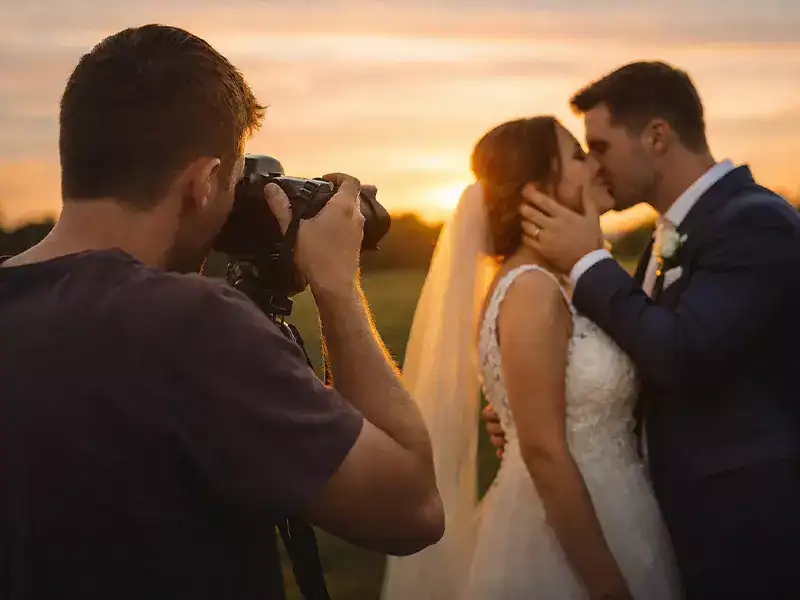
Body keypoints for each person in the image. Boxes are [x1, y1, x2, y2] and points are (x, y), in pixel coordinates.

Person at [0, 24, 443, 600]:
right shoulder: (190, 326)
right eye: (233, 180)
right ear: (204, 182)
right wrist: (337, 287)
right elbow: (412, 510)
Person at [486, 61, 800, 599]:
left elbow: (685, 356)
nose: (597, 169)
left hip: (752, 531)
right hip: (677, 524)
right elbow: (646, 357)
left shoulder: (753, 222)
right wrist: (541, 409)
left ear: (656, 136)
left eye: (600, 148)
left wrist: (587, 262)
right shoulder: (663, 239)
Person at [381, 116, 682, 600]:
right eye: (579, 157)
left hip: (617, 505)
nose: (595, 164)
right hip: (564, 537)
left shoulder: (562, 282)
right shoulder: (532, 291)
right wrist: (609, 589)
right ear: (539, 188)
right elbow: (542, 451)